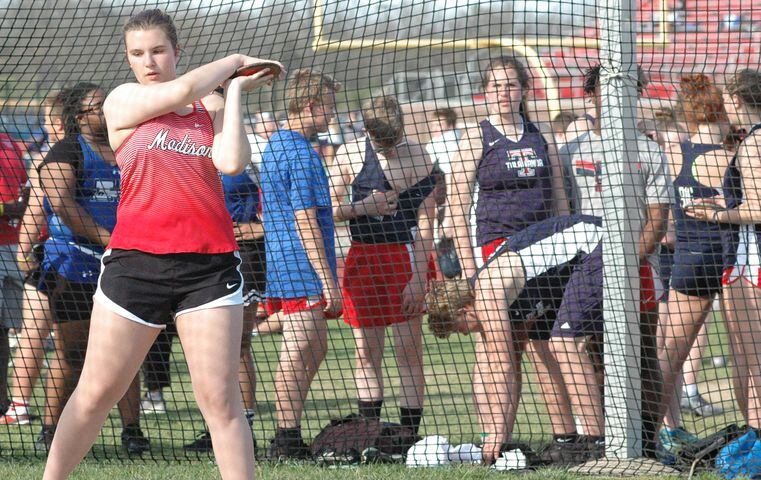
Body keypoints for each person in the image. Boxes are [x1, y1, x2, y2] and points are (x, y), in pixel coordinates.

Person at [40, 9, 283, 480]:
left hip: (208, 268)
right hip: (136, 265)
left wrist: (232, 92)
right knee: (95, 393)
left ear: (177, 51)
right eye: (137, 53)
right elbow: (178, 92)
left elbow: (231, 162)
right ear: (128, 59)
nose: (148, 60)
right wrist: (234, 61)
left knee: (221, 401)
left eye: (157, 50)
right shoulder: (124, 100)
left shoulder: (207, 108)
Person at [448, 55, 572, 462]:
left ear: (523, 90)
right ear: (486, 91)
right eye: (497, 85)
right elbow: (456, 206)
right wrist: (470, 271)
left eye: (511, 85)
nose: (504, 92)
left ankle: (565, 436)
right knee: (495, 348)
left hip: (541, 252)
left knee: (540, 347)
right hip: (494, 254)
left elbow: (559, 199)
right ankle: (494, 439)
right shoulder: (476, 137)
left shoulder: (541, 137)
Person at [558, 64, 674, 457]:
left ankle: (649, 441)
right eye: (605, 92)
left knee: (643, 354)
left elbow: (657, 220)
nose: (618, 99)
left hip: (637, 267)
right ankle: (610, 440)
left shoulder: (649, 149)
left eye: (630, 91)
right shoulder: (571, 151)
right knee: (592, 352)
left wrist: (625, 263)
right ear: (590, 96)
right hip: (585, 270)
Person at [425, 214, 603, 465]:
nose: (465, 333)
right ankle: (567, 441)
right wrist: (494, 437)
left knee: (565, 343)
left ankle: (597, 443)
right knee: (540, 347)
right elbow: (489, 367)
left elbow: (503, 366)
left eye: (460, 328)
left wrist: (497, 433)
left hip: (594, 244)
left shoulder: (486, 296)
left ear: (464, 310)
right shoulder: (486, 297)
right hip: (560, 274)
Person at [34, 83, 148, 455]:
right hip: (74, 264)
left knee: (128, 351)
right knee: (73, 352)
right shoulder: (65, 151)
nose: (109, 110)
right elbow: (65, 206)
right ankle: (50, 431)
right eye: (100, 106)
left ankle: (132, 431)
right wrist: (110, 238)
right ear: (80, 117)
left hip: (123, 263)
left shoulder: (127, 147)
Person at [329, 95, 436, 436]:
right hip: (363, 257)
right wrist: (364, 207)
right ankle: (369, 433)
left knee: (409, 350)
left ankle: (408, 435)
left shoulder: (420, 156)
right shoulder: (348, 153)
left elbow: (427, 224)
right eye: (381, 143)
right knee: (366, 352)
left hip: (404, 257)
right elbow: (327, 211)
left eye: (393, 142)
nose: (389, 150)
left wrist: (419, 278)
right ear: (366, 130)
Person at [260, 68, 341, 460]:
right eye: (328, 105)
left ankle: (288, 429)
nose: (332, 114)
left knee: (316, 345)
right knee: (299, 348)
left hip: (285, 261)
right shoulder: (300, 152)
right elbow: (305, 218)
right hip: (300, 265)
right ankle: (286, 436)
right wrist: (329, 280)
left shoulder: (277, 143)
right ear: (310, 105)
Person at [686, 69, 761, 474]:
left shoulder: (752, 143)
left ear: (736, 99)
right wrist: (726, 197)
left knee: (752, 358)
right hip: (745, 259)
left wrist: (720, 212)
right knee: (743, 357)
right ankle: (754, 432)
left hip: (752, 261)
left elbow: (759, 207)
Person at [656, 73, 730, 461]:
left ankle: (660, 428)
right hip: (716, 258)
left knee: (672, 349)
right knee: (678, 351)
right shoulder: (723, 156)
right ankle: (655, 429)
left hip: (688, 257)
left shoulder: (679, 151)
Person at [1, 91, 64, 425]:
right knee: (32, 332)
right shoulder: (44, 157)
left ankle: (17, 405)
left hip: (31, 247)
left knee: (30, 330)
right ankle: (18, 406)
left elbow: (31, 202)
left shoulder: (15, 144)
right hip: (34, 249)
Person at [0, 111, 29, 416]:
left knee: (8, 330)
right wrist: (6, 207)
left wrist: (25, 205)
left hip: (14, 245)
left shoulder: (11, 143)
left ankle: (5, 402)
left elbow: (24, 188)